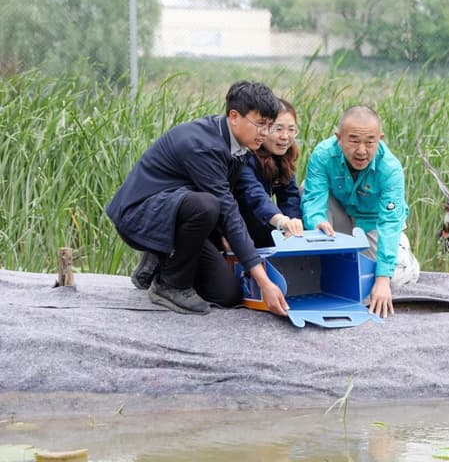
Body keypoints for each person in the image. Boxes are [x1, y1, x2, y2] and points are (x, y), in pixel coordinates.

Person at [106, 81, 290, 316]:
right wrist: (265, 283)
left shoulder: (239, 143)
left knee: (227, 295)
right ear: (234, 116)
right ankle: (169, 285)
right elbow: (225, 208)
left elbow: (234, 197)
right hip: (140, 216)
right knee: (207, 205)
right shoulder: (204, 146)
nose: (265, 133)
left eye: (269, 126)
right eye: (260, 124)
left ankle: (160, 259)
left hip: (175, 213)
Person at [301, 106, 420, 319]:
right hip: (339, 217)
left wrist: (382, 280)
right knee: (304, 187)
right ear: (339, 138)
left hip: (373, 223)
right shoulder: (323, 155)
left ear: (380, 139)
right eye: (354, 141)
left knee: (393, 278)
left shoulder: (390, 169)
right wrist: (316, 221)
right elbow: (313, 200)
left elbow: (389, 224)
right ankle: (325, 253)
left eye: (370, 142)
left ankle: (405, 259)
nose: (362, 151)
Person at [235, 97, 304, 247]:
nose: (285, 137)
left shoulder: (284, 156)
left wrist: (293, 225)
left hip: (264, 221)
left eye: (291, 129)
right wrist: (281, 221)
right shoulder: (244, 155)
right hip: (237, 224)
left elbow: (289, 196)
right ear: (263, 128)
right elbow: (253, 194)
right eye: (278, 129)